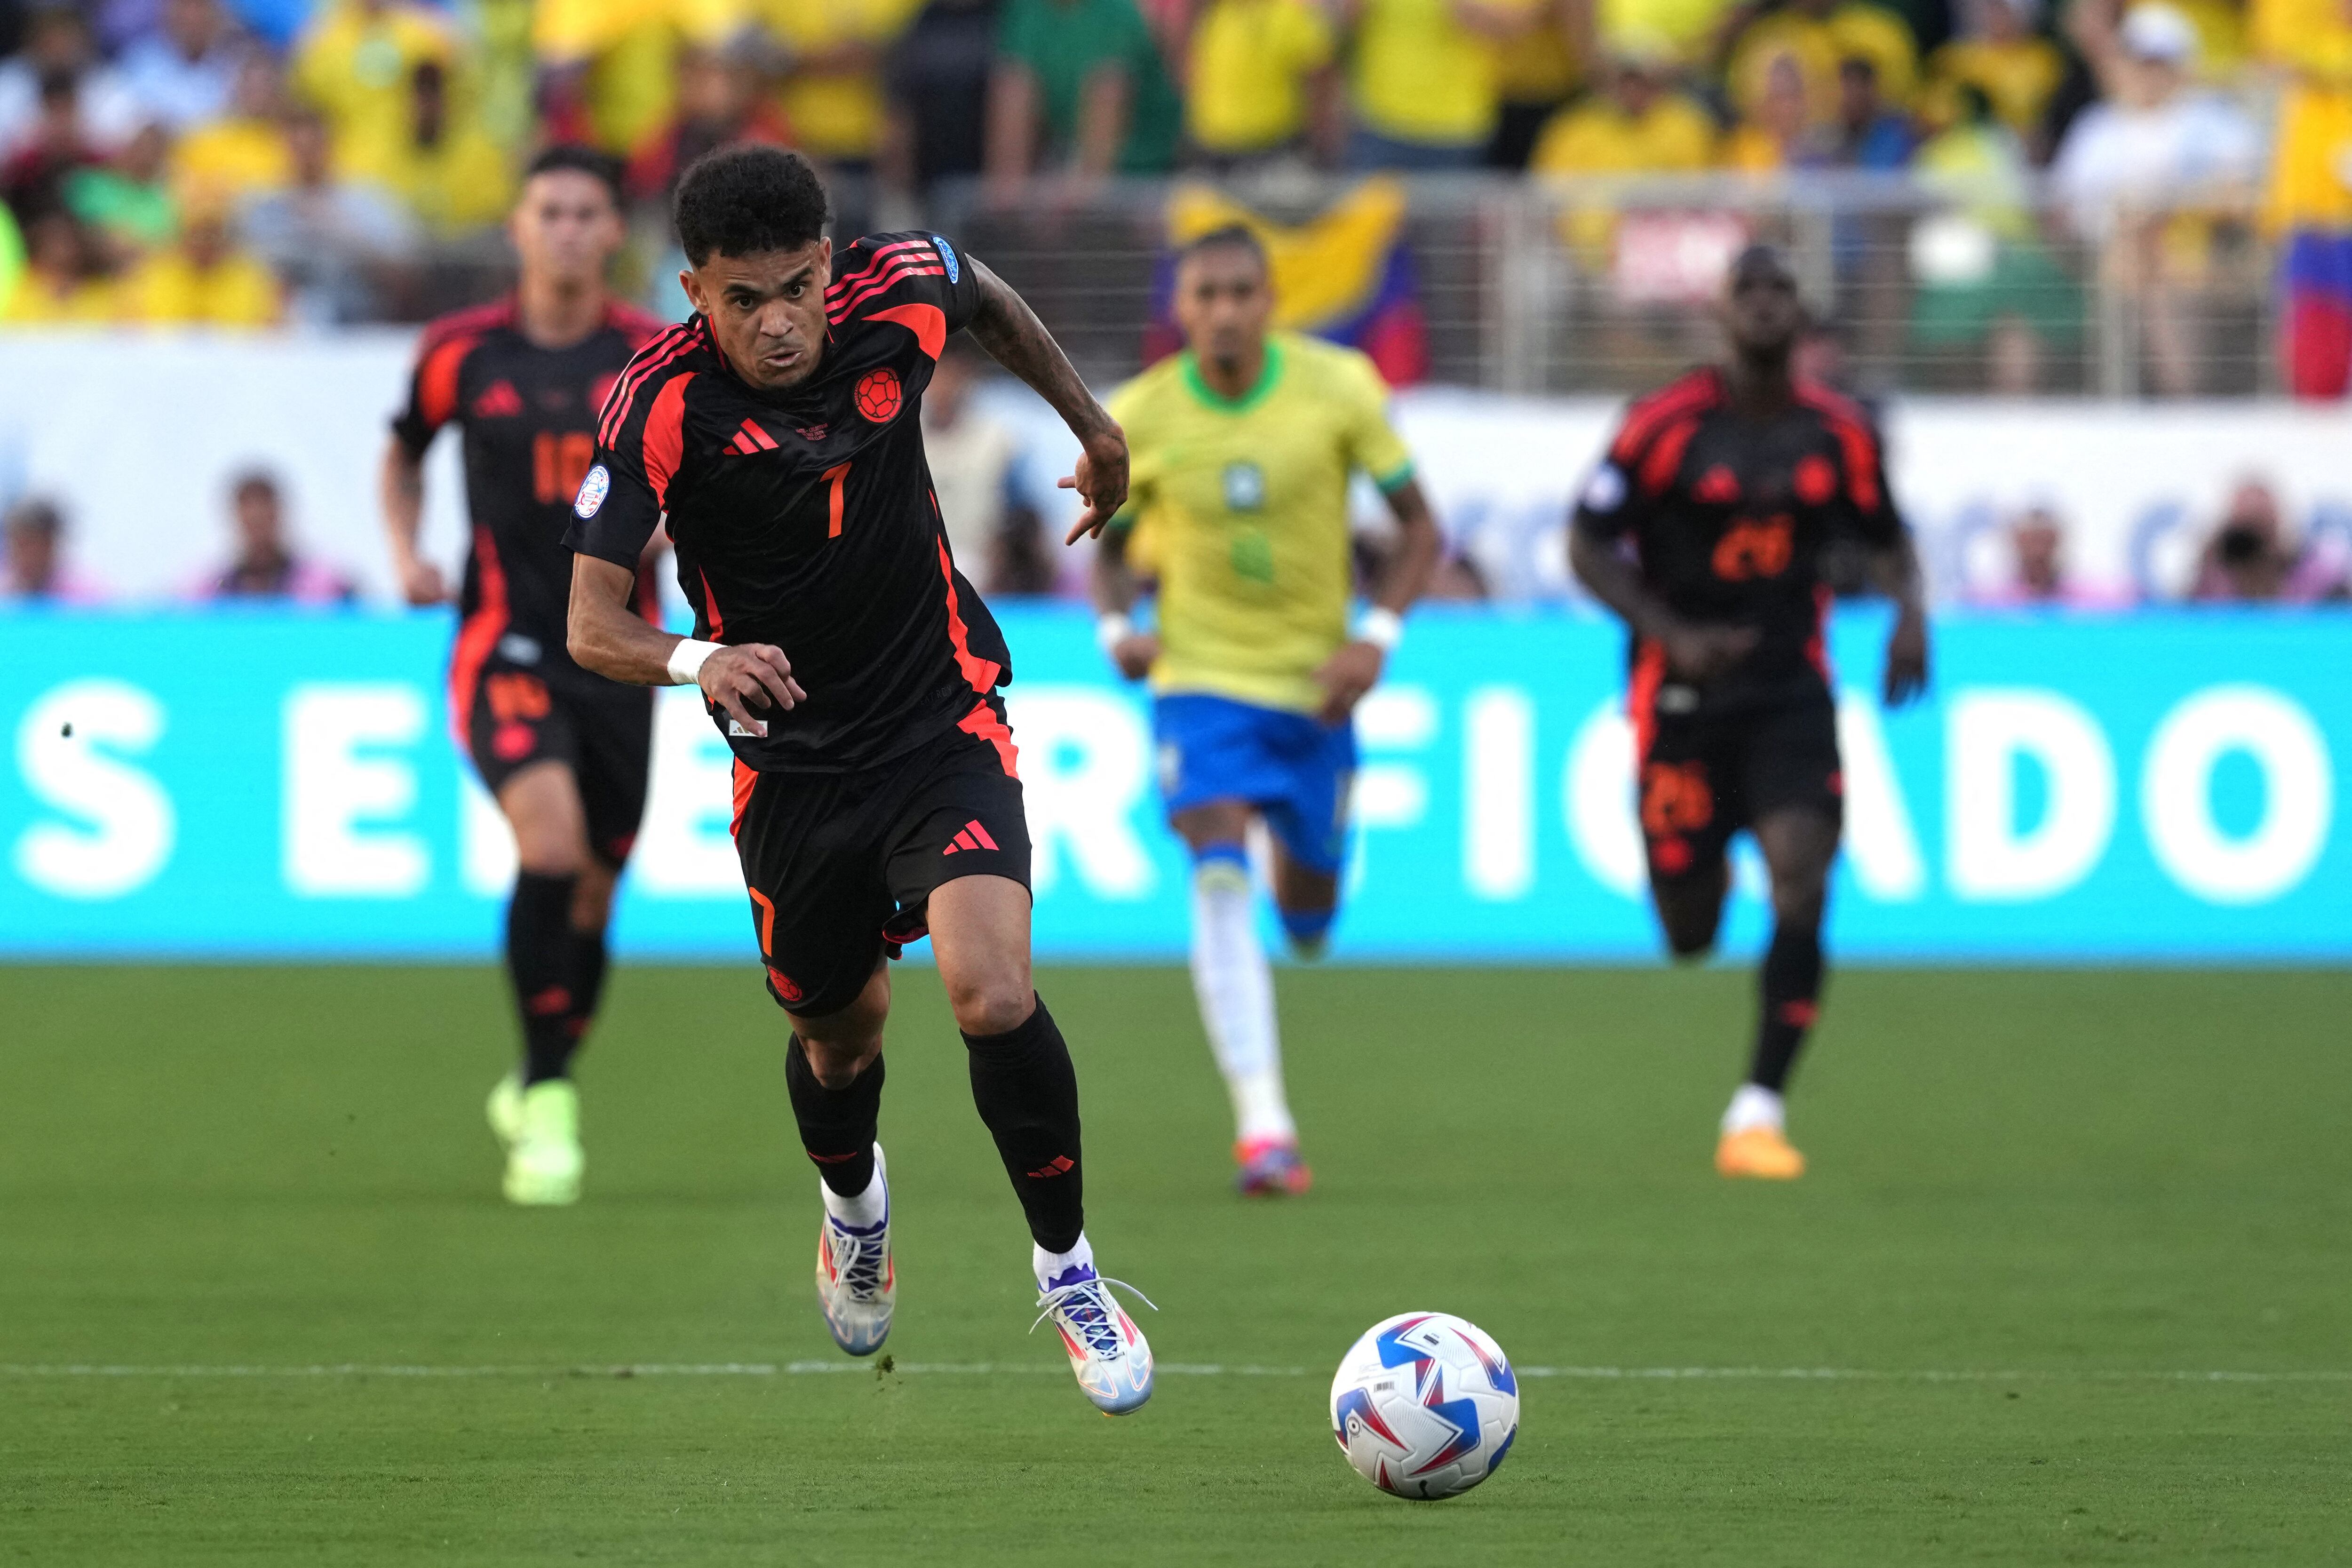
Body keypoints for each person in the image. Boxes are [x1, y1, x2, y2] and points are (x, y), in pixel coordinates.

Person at [563, 145, 1156, 1413]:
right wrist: (700, 658)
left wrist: (1094, 426)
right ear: (693, 291)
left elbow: (983, 289)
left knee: (990, 990)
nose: (776, 322)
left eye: (795, 287)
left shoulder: (898, 294)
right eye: (742, 299)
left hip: (943, 718)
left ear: (830, 263)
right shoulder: (657, 403)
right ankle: (856, 1210)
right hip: (792, 770)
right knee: (841, 1040)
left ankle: (1069, 1267)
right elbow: (590, 623)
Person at [1092, 224, 1441, 1194]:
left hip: (1314, 688)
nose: (1227, 311)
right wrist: (1118, 627)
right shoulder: (1140, 415)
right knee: (1215, 865)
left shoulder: (1339, 388)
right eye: (1207, 294)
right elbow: (1109, 544)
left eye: (1244, 292)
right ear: (1182, 308)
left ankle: (1309, 891)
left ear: (1271, 300)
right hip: (1198, 680)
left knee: (1310, 911)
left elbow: (1420, 528)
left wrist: (1377, 636)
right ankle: (1264, 1122)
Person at [1568, 243, 1930, 1179]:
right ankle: (1696, 879)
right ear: (1721, 316)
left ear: (1799, 315)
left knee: (1803, 884)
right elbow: (1586, 543)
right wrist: (1666, 630)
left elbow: (1888, 538)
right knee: (1689, 930)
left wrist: (1909, 615)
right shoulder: (1661, 426)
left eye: (1782, 291)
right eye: (1749, 293)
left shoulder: (1840, 433)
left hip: (1787, 693)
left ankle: (1756, 1110)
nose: (1767, 306)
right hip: (1682, 700)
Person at [379, 146, 668, 1209]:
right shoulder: (461, 352)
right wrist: (406, 550)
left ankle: (543, 1068)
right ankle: (548, 1099)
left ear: (612, 232)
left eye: (586, 212)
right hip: (501, 639)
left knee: (595, 890)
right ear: (518, 226)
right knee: (547, 845)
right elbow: (403, 449)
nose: (566, 229)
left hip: (624, 649)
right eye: (548, 210)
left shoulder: (655, 353)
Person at [922, 335, 1049, 594]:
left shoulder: (998, 442)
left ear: (966, 376)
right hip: (920, 567)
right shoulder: (904, 438)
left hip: (982, 571)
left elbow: (1026, 515)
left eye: (951, 374)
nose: (942, 385)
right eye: (935, 375)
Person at [196, 469, 355, 602]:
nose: (258, 526)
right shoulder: (210, 591)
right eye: (250, 520)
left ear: (279, 515)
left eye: (265, 517)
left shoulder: (326, 587)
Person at [1, 495, 106, 602]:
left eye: (31, 546)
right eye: (18, 545)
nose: (23, 556)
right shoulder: (6, 592)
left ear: (51, 543)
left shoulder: (88, 595)